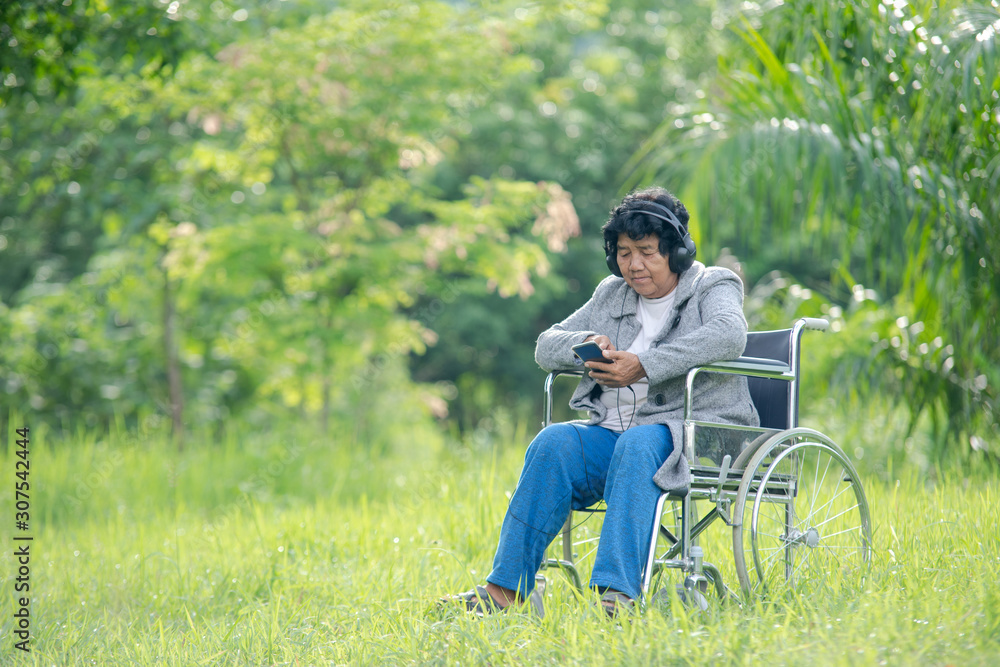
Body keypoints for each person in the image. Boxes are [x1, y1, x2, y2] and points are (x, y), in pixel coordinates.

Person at [443, 186, 759, 617]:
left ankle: (616, 597)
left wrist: (644, 365)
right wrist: (585, 341)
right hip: (616, 437)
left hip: (693, 434)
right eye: (625, 253)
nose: (634, 265)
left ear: (677, 251)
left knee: (637, 444)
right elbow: (544, 345)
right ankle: (504, 591)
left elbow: (729, 333)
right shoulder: (612, 293)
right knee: (553, 442)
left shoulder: (713, 284)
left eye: (647, 251)